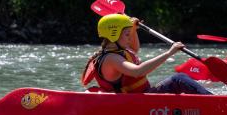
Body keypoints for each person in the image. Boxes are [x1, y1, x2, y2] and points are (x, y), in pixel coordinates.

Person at [82, 13, 212, 94]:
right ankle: (215, 102)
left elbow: (134, 49)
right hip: (136, 101)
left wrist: (133, 29)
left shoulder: (115, 52)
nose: (129, 37)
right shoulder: (111, 58)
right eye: (127, 34)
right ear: (113, 34)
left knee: (180, 79)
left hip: (142, 95)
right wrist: (169, 53)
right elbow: (137, 71)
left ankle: (207, 101)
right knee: (179, 79)